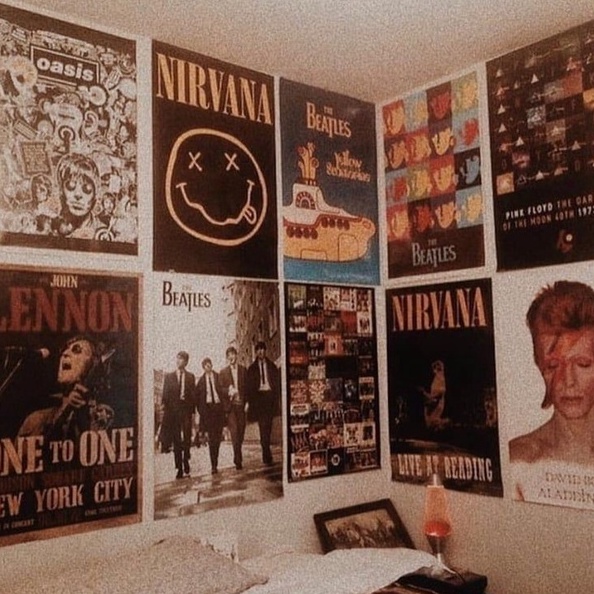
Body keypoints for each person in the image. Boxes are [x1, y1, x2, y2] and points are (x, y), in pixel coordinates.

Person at [509, 280, 594, 467]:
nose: (568, 381)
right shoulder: (519, 460)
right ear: (538, 364)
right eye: (553, 365)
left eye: (582, 364)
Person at [18, 335, 114, 440]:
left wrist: (82, 417)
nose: (65, 353)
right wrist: (64, 411)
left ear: (93, 363)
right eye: (64, 350)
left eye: (77, 350)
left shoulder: (103, 416)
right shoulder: (35, 419)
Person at [53, 153, 105, 240]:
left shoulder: (103, 233)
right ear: (61, 190)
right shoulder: (49, 228)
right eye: (70, 186)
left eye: (87, 189)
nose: (78, 195)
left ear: (95, 195)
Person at [162, 351, 196, 479]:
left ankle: (186, 458)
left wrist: (192, 412)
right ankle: (179, 468)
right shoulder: (169, 377)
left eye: (181, 359)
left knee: (186, 436)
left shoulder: (190, 377)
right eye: (177, 358)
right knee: (176, 439)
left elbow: (193, 395)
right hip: (173, 412)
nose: (178, 361)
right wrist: (165, 409)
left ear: (186, 362)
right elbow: (165, 395)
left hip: (186, 410)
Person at [246, 341, 280, 465]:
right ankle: (266, 454)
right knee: (262, 427)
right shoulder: (252, 369)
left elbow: (277, 383)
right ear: (256, 352)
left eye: (263, 349)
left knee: (268, 427)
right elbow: (249, 388)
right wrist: (251, 402)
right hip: (259, 399)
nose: (261, 352)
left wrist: (276, 398)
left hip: (269, 397)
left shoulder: (272, 366)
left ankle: (266, 451)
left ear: (265, 351)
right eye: (259, 350)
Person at [219, 346, 248, 470]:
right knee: (234, 432)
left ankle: (238, 451)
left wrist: (248, 402)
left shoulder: (243, 370)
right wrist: (228, 391)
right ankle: (238, 458)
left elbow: (247, 387)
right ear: (227, 358)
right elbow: (220, 389)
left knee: (241, 432)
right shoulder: (223, 372)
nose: (231, 357)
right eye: (229, 355)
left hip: (241, 406)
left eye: (233, 354)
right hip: (230, 407)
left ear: (236, 355)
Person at [196, 357, 226, 474]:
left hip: (218, 409)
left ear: (211, 365)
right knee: (212, 439)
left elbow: (223, 391)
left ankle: (215, 460)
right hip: (208, 412)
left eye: (209, 364)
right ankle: (213, 465)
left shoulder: (218, 377)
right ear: (203, 368)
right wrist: (203, 412)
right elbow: (197, 400)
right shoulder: (201, 382)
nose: (208, 367)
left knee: (217, 438)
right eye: (205, 365)